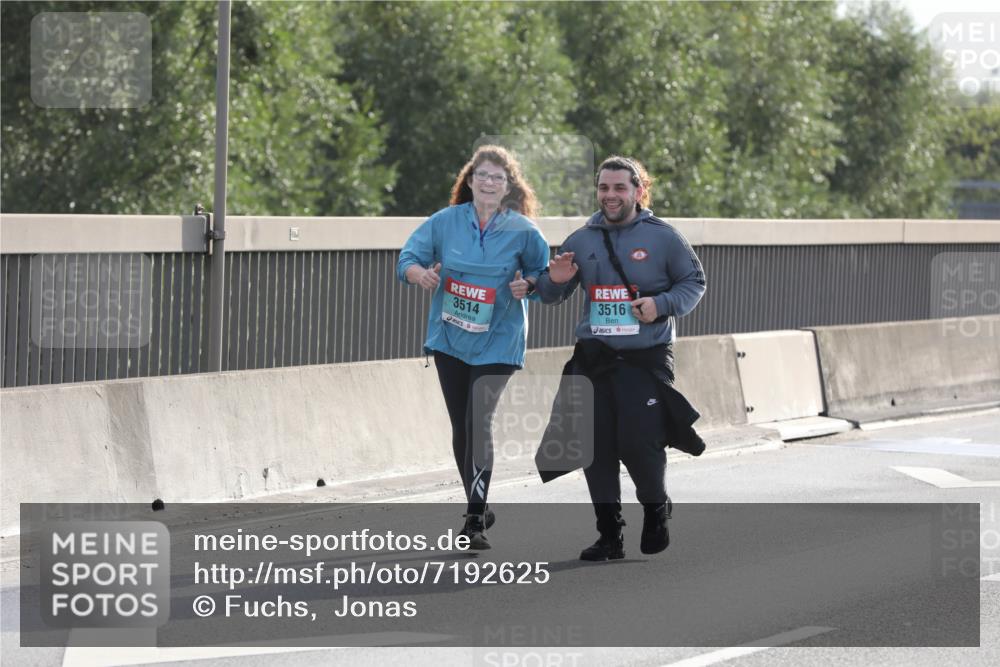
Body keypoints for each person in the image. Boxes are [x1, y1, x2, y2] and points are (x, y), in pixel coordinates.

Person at [533, 156, 707, 561]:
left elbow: (694, 282)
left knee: (640, 443)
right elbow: (551, 292)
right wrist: (553, 281)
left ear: (639, 191)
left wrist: (660, 304)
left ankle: (655, 507)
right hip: (594, 357)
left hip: (644, 357)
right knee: (594, 447)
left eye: (619, 188)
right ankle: (609, 533)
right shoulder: (582, 239)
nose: (610, 196)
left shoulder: (664, 237)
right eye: (604, 188)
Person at [397, 145, 549, 550]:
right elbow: (407, 258)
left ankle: (474, 519)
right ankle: (477, 500)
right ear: (469, 180)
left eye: (497, 177)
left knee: (478, 420)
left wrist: (529, 286)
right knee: (462, 424)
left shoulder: (524, 230)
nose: (488, 182)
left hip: (499, 341)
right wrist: (418, 274)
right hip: (450, 339)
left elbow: (545, 276)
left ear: (508, 187)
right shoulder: (446, 222)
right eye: (481, 175)